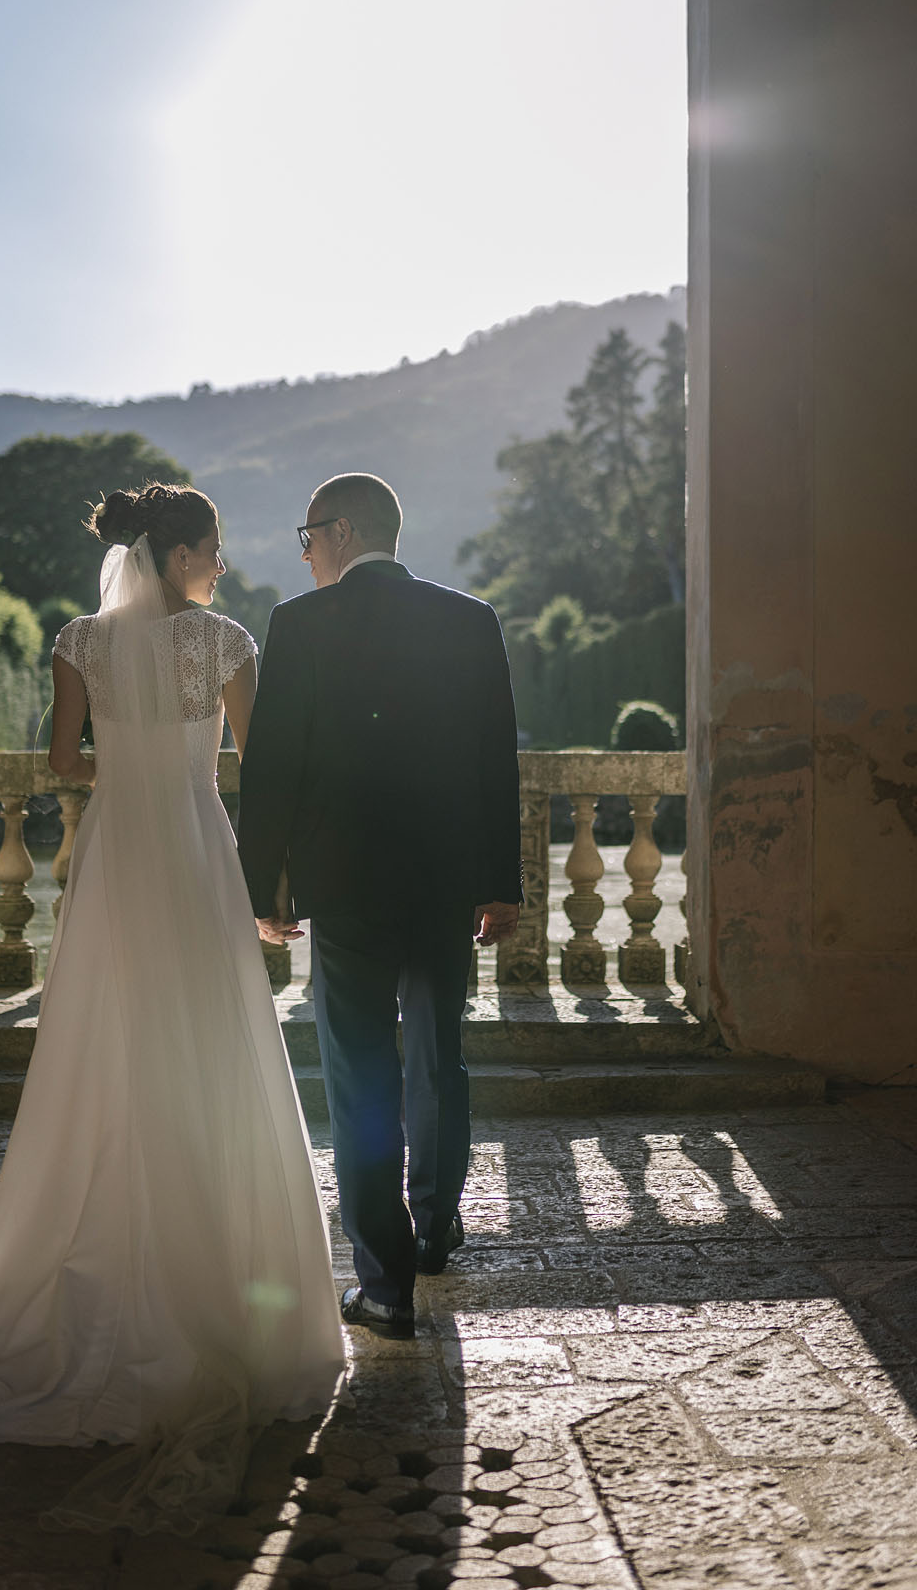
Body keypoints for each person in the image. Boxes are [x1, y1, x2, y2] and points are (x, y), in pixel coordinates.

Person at [0, 483, 344, 1532]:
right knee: (214, 1044)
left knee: (106, 1044)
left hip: (119, 850)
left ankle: (104, 1257)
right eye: (209, 551)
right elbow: (258, 766)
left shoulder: (78, 638)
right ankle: (225, 1280)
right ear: (174, 556)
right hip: (199, 849)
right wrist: (249, 853)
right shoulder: (224, 641)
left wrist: (121, 762)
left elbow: (60, 761)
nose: (219, 566)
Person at [236, 473, 523, 1338]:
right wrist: (501, 881)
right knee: (439, 1053)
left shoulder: (300, 624)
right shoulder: (470, 620)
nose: (304, 551)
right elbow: (495, 760)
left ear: (344, 530)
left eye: (308, 533)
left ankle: (386, 1284)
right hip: (443, 881)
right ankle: (435, 1229)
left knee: (360, 1072)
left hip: (346, 885)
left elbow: (273, 770)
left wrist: (263, 887)